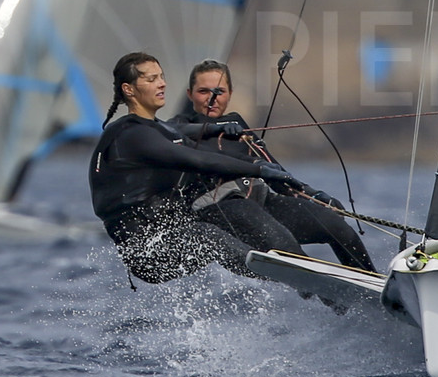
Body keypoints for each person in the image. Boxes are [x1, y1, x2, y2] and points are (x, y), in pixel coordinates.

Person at [89, 52, 307, 284]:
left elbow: (184, 135)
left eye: (161, 77)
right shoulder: (132, 135)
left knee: (235, 214)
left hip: (175, 231)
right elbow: (197, 159)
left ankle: (302, 271)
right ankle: (291, 277)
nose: (162, 83)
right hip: (147, 252)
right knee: (209, 235)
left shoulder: (153, 129)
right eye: (151, 79)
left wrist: (228, 139)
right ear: (129, 89)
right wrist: (259, 171)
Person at [174, 59, 376, 272]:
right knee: (287, 246)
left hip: (261, 201)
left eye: (219, 91)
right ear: (190, 94)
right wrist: (216, 128)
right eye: (203, 91)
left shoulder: (236, 123)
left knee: (337, 228)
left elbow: (274, 171)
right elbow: (179, 137)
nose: (212, 98)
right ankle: (328, 295)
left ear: (230, 93)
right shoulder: (176, 128)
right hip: (221, 210)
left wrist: (312, 194)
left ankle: (380, 292)